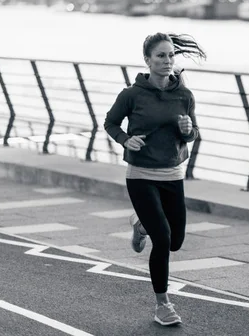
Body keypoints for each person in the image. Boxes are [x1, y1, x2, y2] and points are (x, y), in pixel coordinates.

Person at [104, 32, 205, 326]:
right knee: (162, 239)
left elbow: (192, 133)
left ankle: (140, 223)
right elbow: (110, 122)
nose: (167, 60)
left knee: (176, 242)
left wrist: (188, 130)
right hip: (141, 175)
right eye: (160, 56)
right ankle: (163, 304)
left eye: (171, 55)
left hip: (173, 174)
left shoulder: (184, 95)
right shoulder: (131, 95)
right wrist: (125, 140)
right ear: (148, 60)